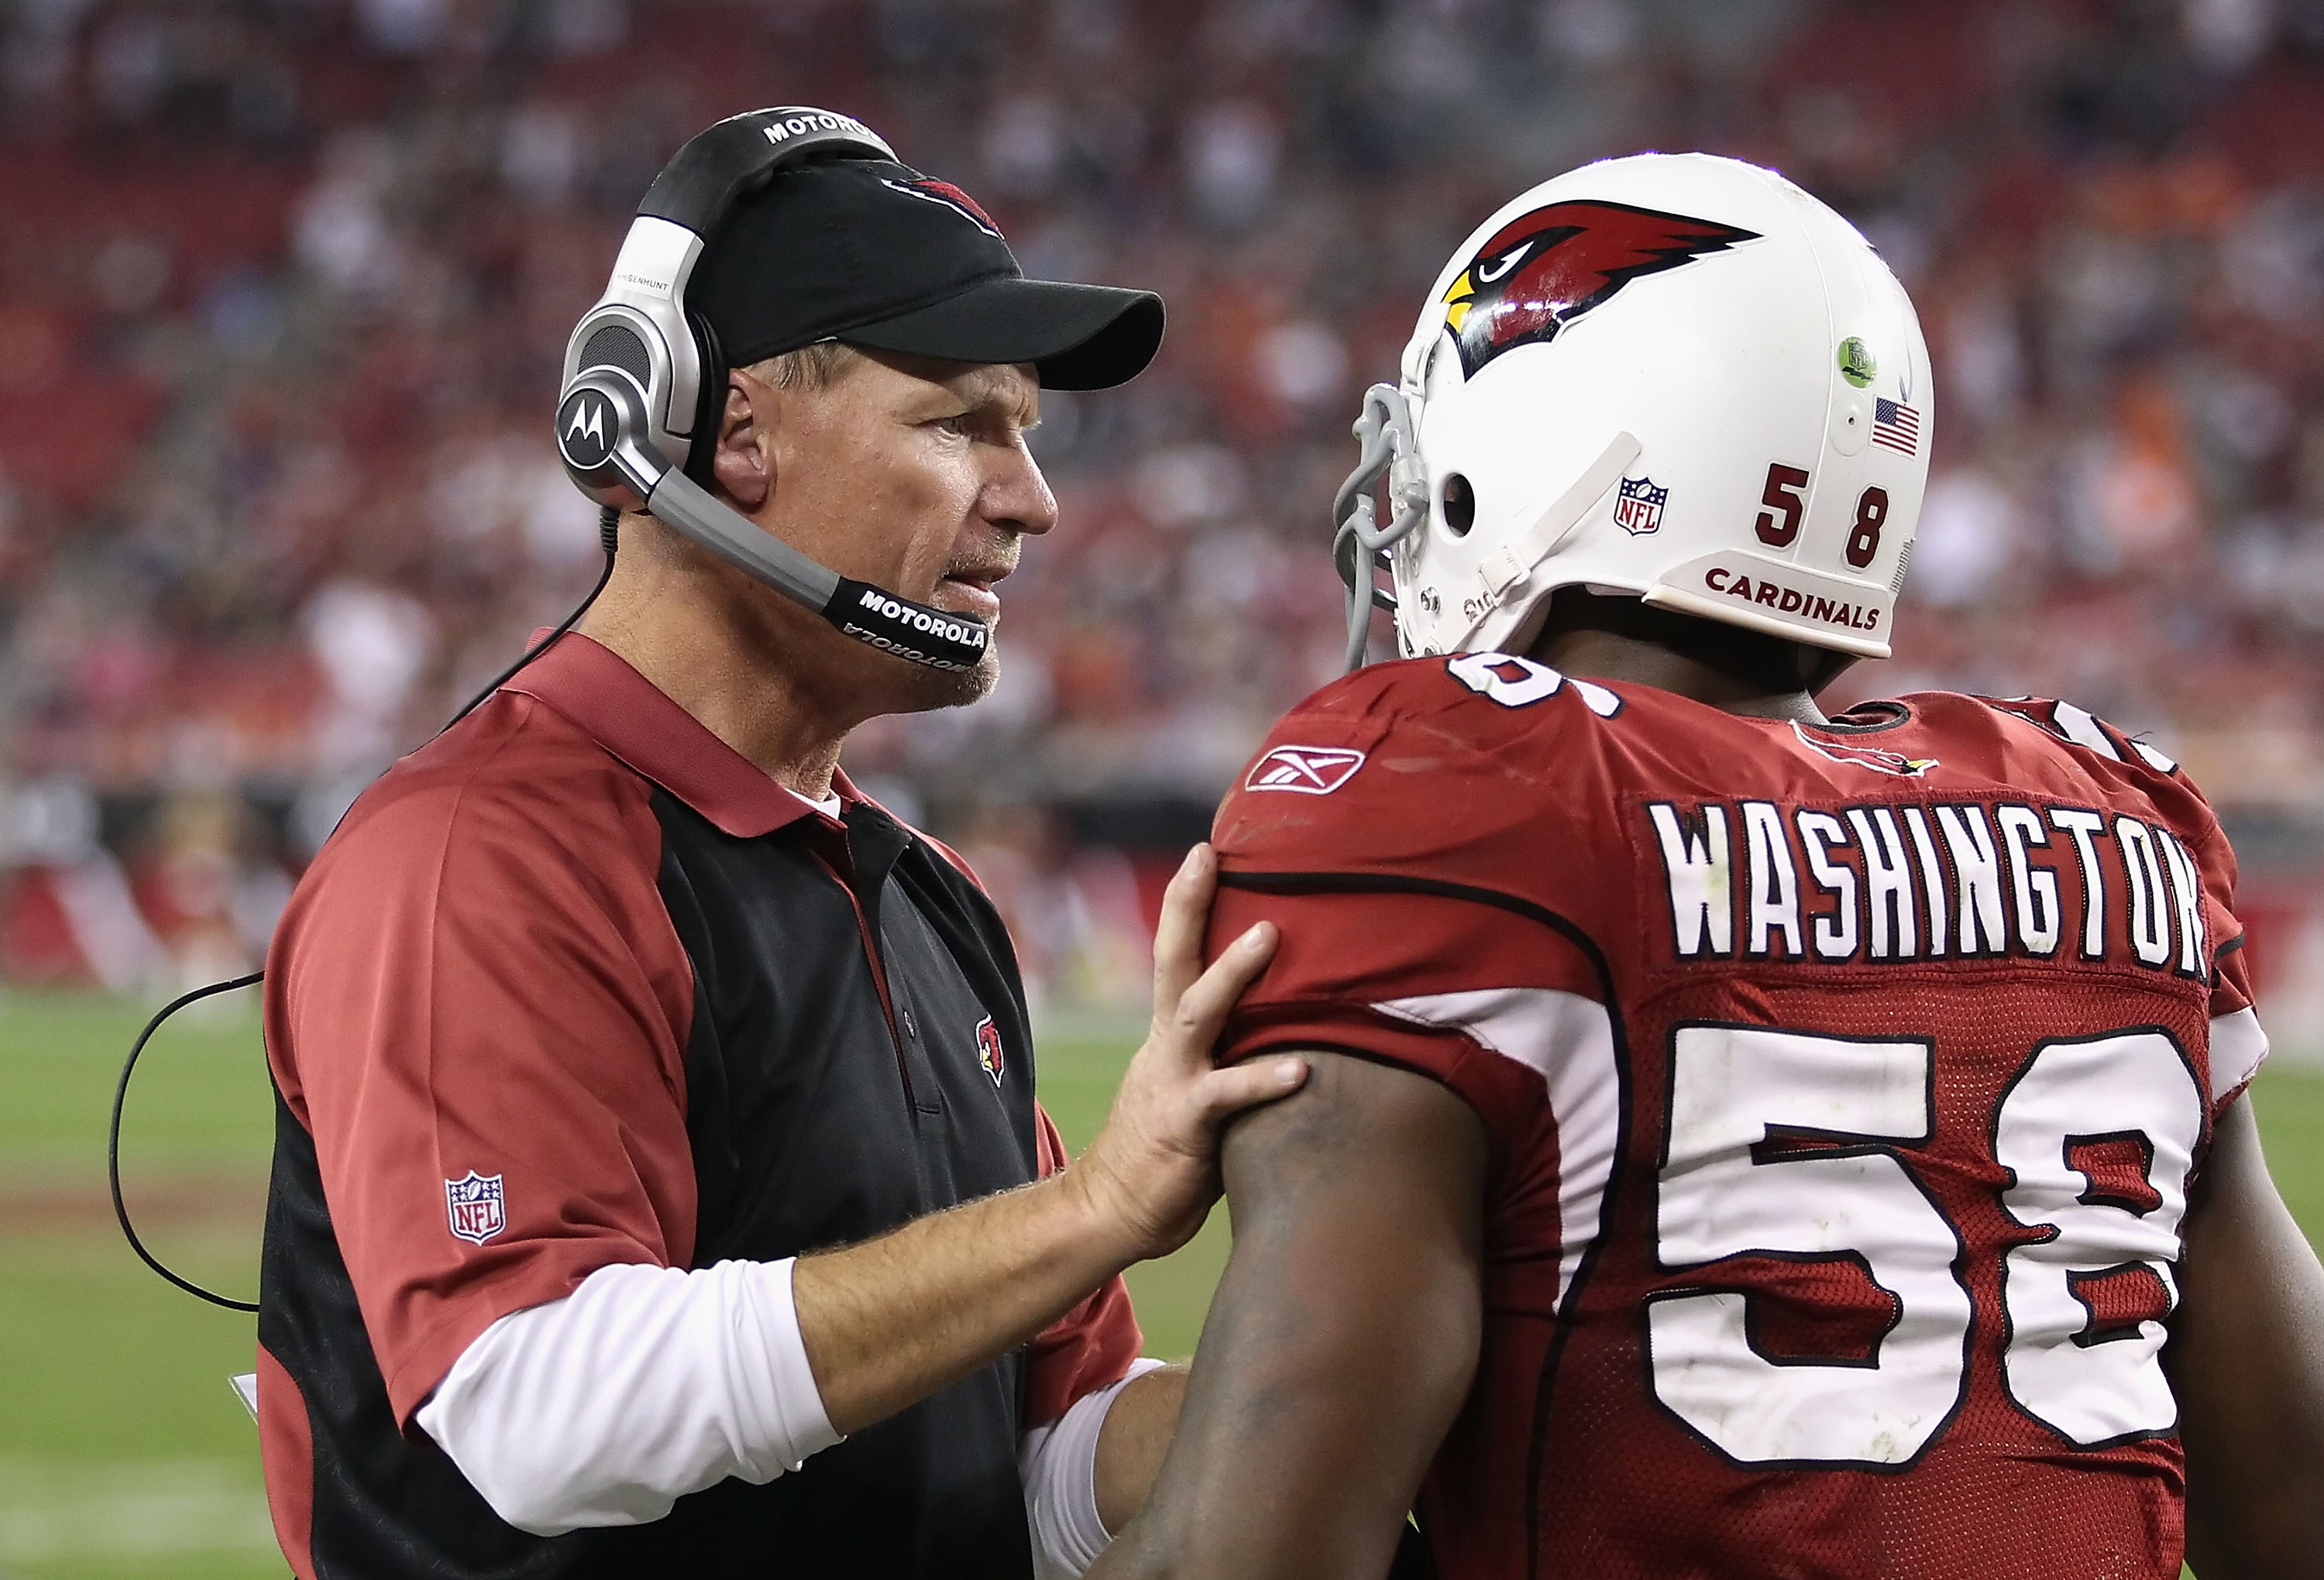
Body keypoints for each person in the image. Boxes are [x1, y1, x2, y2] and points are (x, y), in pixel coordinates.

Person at [1090, 153, 2324, 1579]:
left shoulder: (1458, 795)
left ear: (1558, 445)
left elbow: (1251, 1558)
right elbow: (2293, 1500)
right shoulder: (2116, 812)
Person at [255, 115, 1306, 1580]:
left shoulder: (932, 900)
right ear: (731, 430)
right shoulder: (477, 856)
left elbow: (1030, 1464)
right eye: (958, 425)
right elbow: (538, 1409)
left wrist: (1360, 1410)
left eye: (1027, 434)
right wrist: (1091, 1210)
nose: (1033, 500)